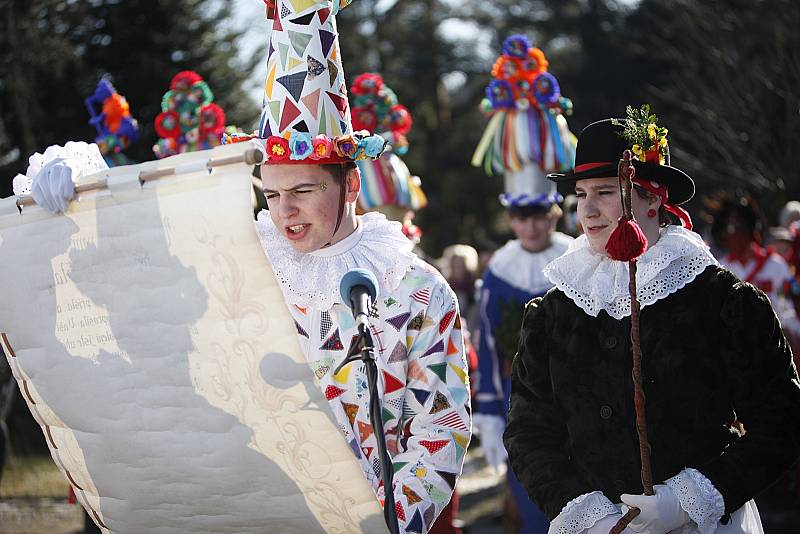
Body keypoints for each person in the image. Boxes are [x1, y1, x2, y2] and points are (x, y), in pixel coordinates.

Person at [504, 108, 800, 533]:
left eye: (605, 191)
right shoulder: (554, 312)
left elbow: (783, 420)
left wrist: (690, 499)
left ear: (653, 197)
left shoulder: (723, 302)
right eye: (581, 195)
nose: (588, 210)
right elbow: (528, 433)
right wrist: (586, 512)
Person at [471, 34, 575, 533]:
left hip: (578, 398)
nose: (532, 227)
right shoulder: (500, 273)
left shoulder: (577, 259)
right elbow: (487, 345)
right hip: (522, 407)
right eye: (522, 218)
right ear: (510, 222)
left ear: (554, 212)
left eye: (540, 215)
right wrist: (489, 413)